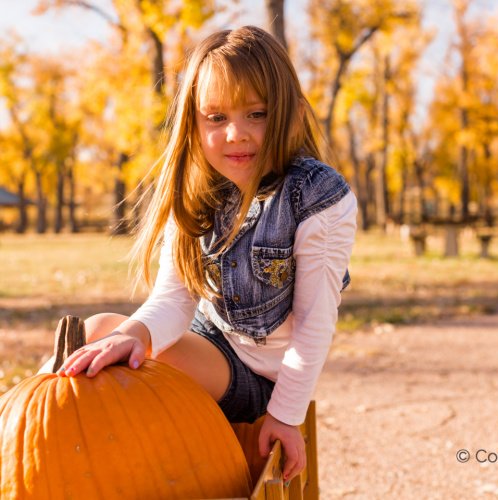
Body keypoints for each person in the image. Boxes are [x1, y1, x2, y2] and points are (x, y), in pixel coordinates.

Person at [49, 26, 357, 482]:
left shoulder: (316, 197)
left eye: (257, 113)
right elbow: (174, 300)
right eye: (216, 118)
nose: (237, 134)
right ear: (193, 121)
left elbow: (315, 322)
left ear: (287, 112)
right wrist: (134, 332)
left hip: (260, 372)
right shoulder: (197, 191)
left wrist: (286, 415)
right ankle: (34, 436)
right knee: (97, 335)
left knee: (154, 362)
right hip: (204, 338)